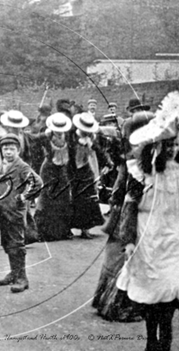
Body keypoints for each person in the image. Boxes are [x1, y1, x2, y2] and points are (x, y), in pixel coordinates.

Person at [117, 91, 179, 351]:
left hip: (173, 236)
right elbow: (129, 209)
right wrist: (129, 240)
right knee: (151, 291)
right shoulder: (139, 174)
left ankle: (165, 339)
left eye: (176, 145)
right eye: (169, 146)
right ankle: (151, 338)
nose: (174, 150)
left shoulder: (177, 172)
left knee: (171, 288)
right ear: (156, 148)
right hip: (148, 236)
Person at [92, 112, 155, 322]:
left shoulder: (129, 153)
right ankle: (117, 306)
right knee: (125, 258)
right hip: (131, 214)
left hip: (122, 211)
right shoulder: (139, 158)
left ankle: (105, 301)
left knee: (116, 257)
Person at [0, 134, 43, 293]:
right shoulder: (2, 165)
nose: (8, 152)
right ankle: (14, 273)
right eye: (5, 149)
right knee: (8, 244)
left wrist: (24, 196)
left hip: (15, 212)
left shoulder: (22, 166)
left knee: (17, 245)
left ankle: (22, 278)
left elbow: (37, 183)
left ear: (19, 150)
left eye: (12, 149)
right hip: (3, 211)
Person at [33, 113, 74, 241]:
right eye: (57, 128)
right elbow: (34, 142)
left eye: (61, 128)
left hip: (62, 169)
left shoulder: (67, 136)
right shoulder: (46, 136)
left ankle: (62, 231)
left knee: (64, 198)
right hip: (48, 170)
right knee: (47, 199)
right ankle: (42, 232)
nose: (59, 131)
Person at [69, 112, 109, 239]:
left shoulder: (92, 138)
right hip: (73, 170)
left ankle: (85, 228)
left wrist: (108, 163)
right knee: (75, 199)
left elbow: (99, 150)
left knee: (88, 199)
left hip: (87, 169)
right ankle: (73, 227)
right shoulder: (72, 137)